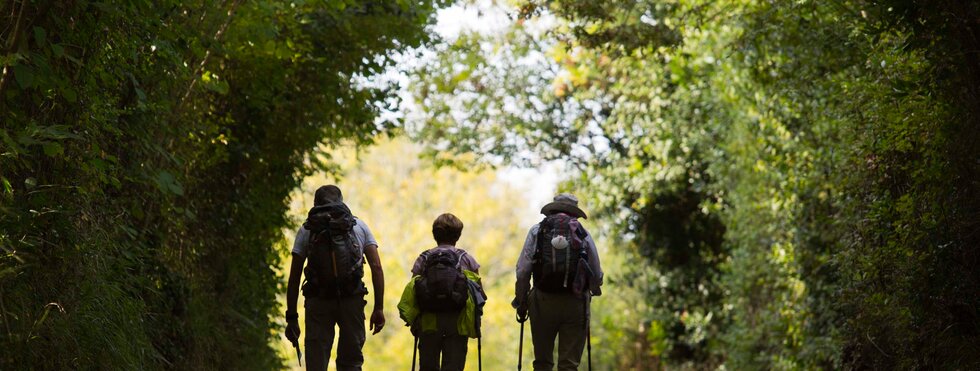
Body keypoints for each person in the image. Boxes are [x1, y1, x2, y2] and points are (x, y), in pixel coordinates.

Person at [285, 185, 386, 371]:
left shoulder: (308, 229)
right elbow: (377, 268)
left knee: (316, 363)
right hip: (352, 300)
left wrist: (292, 317)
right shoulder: (358, 226)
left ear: (316, 204)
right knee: (351, 363)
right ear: (341, 201)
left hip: (318, 301)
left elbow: (294, 277)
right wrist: (378, 308)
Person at [513, 193, 603, 371]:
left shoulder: (537, 230)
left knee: (542, 362)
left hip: (543, 301)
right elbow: (596, 273)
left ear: (552, 210)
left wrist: (521, 299)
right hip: (575, 302)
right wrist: (593, 290)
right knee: (569, 364)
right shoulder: (582, 232)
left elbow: (523, 270)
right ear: (574, 213)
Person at [398, 213, 486, 371]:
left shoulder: (424, 258)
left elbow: (414, 291)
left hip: (428, 320)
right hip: (457, 321)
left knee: (428, 367)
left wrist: (414, 322)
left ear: (434, 234)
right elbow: (478, 293)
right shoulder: (466, 259)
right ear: (458, 235)